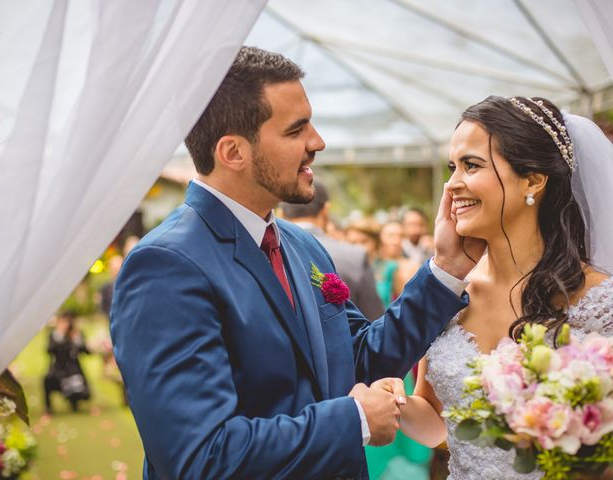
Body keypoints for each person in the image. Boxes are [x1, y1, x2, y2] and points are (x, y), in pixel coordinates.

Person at [110, 46, 483, 480]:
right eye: (296, 130)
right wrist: (354, 421)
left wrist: (445, 270)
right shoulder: (165, 267)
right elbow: (202, 457)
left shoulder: (298, 245)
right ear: (233, 152)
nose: (317, 142)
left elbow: (356, 359)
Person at [396, 96, 613, 479]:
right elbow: (434, 422)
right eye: (452, 167)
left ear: (532, 179)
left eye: (471, 165)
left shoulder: (599, 303)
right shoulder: (447, 291)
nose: (451, 185)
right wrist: (391, 401)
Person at [280, 179, 385, 319]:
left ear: (281, 213)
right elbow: (374, 319)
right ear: (326, 210)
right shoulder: (354, 257)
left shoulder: (268, 253)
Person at [43, 311, 91, 413]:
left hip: (73, 368)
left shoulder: (76, 334)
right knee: (47, 380)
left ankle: (74, 402)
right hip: (59, 368)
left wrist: (76, 339)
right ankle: (49, 407)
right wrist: (60, 336)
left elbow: (85, 351)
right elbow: (50, 351)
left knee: (78, 385)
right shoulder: (54, 335)